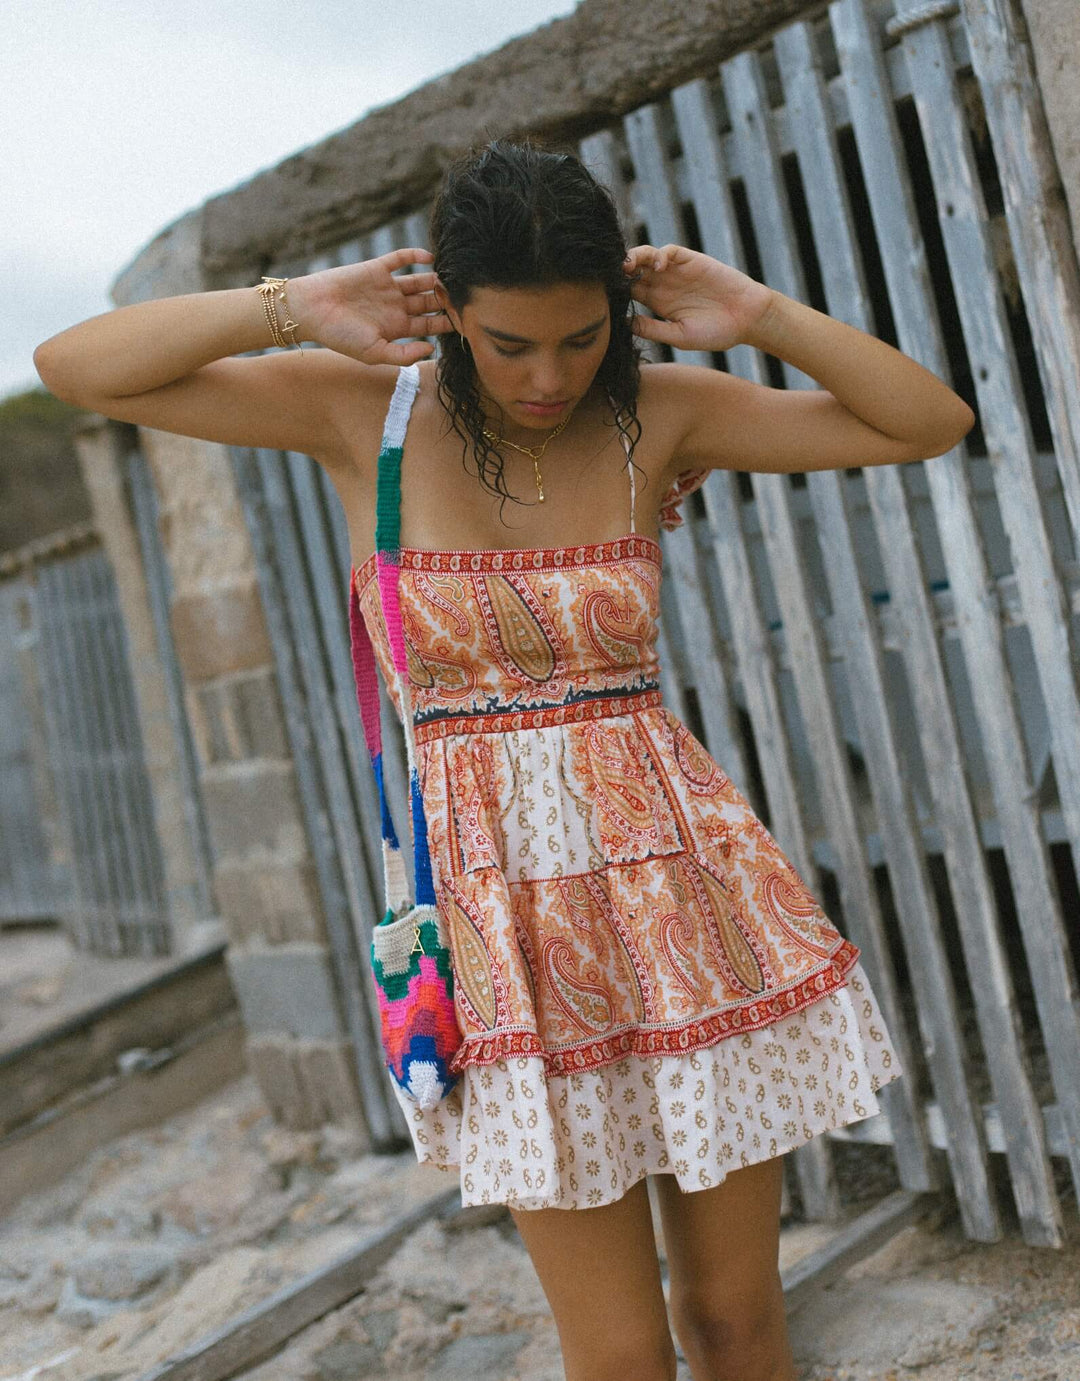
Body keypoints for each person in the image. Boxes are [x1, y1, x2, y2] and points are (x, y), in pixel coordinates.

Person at [35, 136, 973, 1381]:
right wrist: (289, 307)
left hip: (685, 901)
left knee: (738, 1325)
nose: (549, 376)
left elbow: (926, 422)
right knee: (622, 1350)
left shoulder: (663, 412)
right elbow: (75, 369)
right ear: (451, 315)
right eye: (510, 341)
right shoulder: (359, 410)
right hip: (504, 938)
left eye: (580, 339)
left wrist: (759, 313)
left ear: (615, 318)